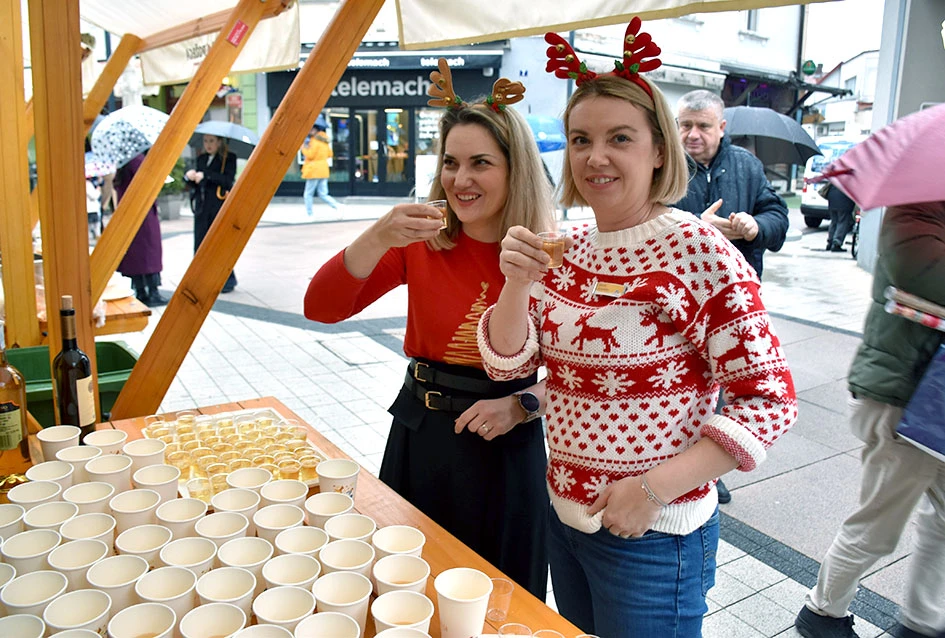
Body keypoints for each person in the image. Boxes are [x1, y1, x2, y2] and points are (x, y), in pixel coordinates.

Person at [477, 20, 797, 637]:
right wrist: (515, 284)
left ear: (658, 150)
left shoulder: (697, 251)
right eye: (580, 139)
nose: (595, 156)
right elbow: (509, 366)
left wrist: (651, 490)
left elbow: (770, 400)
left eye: (618, 138)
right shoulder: (562, 245)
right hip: (565, 518)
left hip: (656, 535)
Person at [303, 59, 556, 598]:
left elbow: (584, 376)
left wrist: (522, 406)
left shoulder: (545, 251)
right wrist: (377, 236)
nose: (460, 180)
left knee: (504, 596)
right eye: (450, 163)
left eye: (480, 163)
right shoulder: (422, 240)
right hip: (421, 429)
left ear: (515, 170)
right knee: (405, 584)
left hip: (505, 440)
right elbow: (320, 308)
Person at [795, 201, 945, 638]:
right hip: (900, 400)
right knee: (878, 525)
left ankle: (922, 621)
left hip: (931, 401)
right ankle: (822, 614)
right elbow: (928, 277)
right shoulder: (914, 215)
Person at [674, 89, 791, 504]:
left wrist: (755, 226)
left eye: (702, 126)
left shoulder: (746, 165)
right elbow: (645, 216)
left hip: (734, 301)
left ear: (721, 128)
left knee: (731, 384)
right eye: (685, 125)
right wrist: (693, 226)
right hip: (679, 301)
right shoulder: (665, 165)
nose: (692, 134)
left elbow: (778, 216)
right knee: (686, 384)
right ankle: (682, 465)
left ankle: (710, 469)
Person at [186, 133, 238, 293]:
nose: (208, 145)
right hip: (202, 207)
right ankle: (200, 277)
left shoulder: (228, 158)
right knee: (200, 242)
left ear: (219, 142)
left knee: (218, 243)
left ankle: (227, 279)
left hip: (218, 206)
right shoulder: (201, 159)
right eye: (206, 141)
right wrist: (189, 177)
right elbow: (196, 185)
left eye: (212, 141)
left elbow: (228, 181)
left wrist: (206, 175)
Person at [115, 153, 167, 307]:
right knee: (150, 252)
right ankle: (153, 292)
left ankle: (141, 291)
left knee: (135, 255)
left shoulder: (122, 162)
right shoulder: (137, 160)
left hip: (129, 215)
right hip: (143, 213)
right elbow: (148, 183)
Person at [301, 117, 340, 215]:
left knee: (308, 194)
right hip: (323, 169)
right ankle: (337, 206)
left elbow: (310, 155)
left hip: (313, 170)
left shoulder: (314, 141)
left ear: (315, 129)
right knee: (323, 193)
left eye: (311, 129)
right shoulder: (324, 141)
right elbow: (330, 154)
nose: (309, 131)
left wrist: (303, 148)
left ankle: (309, 214)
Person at [825, 183, 857, 252]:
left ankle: (830, 242)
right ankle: (837, 243)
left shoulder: (837, 176)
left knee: (834, 221)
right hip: (844, 201)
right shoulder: (851, 177)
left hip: (832, 199)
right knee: (843, 222)